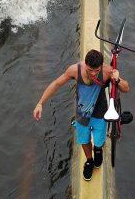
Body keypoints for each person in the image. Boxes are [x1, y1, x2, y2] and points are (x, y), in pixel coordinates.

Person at [33, 49, 129, 181]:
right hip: (82, 114)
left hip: (100, 114)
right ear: (85, 64)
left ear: (101, 66)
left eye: (97, 70)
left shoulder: (107, 71)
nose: (94, 73)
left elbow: (126, 88)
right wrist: (40, 103)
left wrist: (117, 79)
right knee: (84, 140)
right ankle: (89, 161)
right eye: (90, 70)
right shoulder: (74, 70)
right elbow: (56, 84)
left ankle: (98, 151)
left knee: (99, 141)